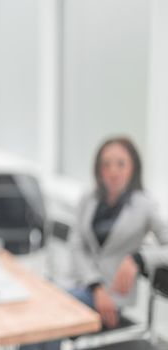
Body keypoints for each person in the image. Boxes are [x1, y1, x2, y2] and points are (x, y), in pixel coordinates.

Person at [22, 137, 168, 350]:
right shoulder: (88, 199)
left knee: (50, 315)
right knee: (36, 311)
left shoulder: (144, 206)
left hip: (112, 298)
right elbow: (77, 244)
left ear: (133, 167)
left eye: (120, 164)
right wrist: (95, 285)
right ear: (98, 169)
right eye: (106, 164)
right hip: (79, 283)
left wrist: (138, 259)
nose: (113, 171)